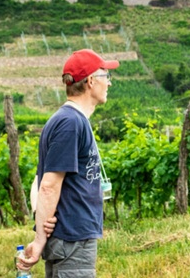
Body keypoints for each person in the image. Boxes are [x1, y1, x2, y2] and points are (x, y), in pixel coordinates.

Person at [17, 49, 120, 277]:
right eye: (106, 76)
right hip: (72, 240)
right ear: (91, 81)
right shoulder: (70, 123)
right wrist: (39, 239)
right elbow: (47, 185)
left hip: (70, 239)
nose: (110, 83)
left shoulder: (65, 120)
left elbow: (39, 179)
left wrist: (40, 222)